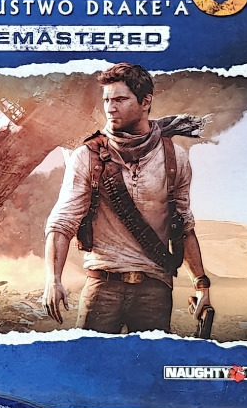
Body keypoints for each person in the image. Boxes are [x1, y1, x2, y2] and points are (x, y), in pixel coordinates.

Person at [42, 63, 211, 334]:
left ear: (146, 102)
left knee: (151, 361)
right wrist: (53, 279)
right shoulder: (88, 156)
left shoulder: (175, 158)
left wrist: (201, 285)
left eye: (120, 99)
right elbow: (62, 223)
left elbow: (184, 227)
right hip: (102, 284)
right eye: (106, 100)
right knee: (87, 359)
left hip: (154, 289)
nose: (110, 108)